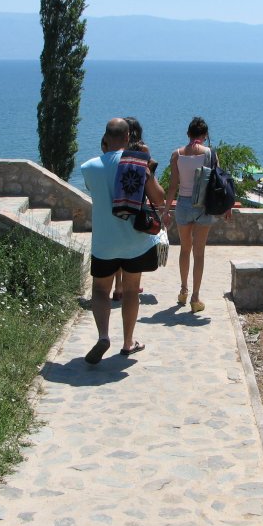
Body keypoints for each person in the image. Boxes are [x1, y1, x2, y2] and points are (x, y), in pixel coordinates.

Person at [81, 117, 165, 363]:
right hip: (134, 242)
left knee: (100, 290)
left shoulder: (89, 167)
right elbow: (159, 198)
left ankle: (103, 336)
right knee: (130, 291)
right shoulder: (137, 163)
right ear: (128, 137)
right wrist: (148, 169)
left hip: (104, 243)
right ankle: (128, 342)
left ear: (105, 138)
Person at [162, 116, 229, 312]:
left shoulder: (177, 155)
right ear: (205, 135)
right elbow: (220, 182)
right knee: (199, 253)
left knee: (185, 249)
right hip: (203, 206)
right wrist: (227, 206)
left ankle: (183, 291)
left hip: (183, 205)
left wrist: (166, 211)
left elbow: (172, 186)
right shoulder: (210, 153)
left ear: (188, 134)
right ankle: (195, 298)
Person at [111, 117, 154, 301]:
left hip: (120, 197)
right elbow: (149, 175)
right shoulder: (143, 149)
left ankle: (118, 287)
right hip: (138, 199)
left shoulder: (119, 149)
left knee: (118, 246)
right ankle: (133, 284)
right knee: (136, 245)